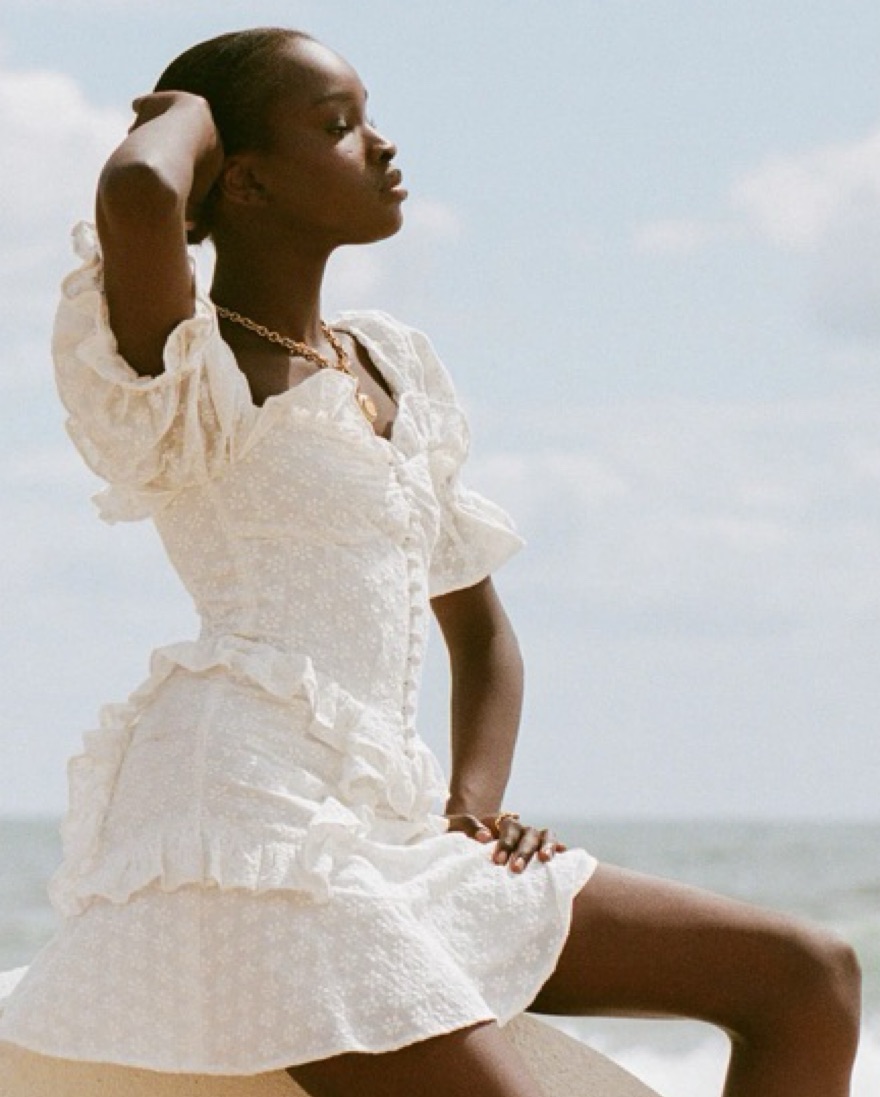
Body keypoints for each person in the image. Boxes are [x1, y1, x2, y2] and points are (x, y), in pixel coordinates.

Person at [0, 26, 861, 1097]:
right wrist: (181, 114)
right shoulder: (194, 368)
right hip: (244, 829)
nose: (384, 147)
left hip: (392, 827)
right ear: (246, 180)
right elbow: (136, 190)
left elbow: (483, 632)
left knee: (806, 975)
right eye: (339, 125)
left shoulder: (391, 365)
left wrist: (473, 805)